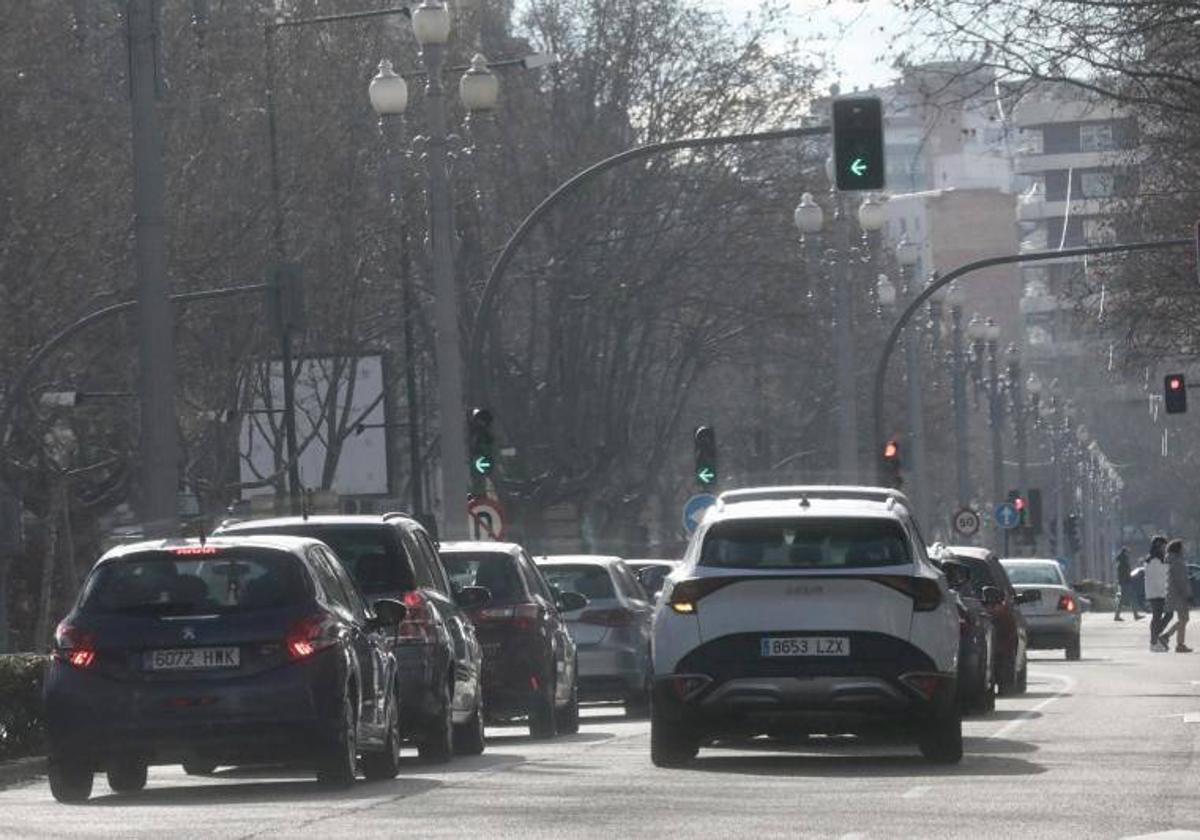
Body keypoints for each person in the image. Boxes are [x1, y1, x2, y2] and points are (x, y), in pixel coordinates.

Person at [1159, 539, 1192, 653]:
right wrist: (1188, 594)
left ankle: (1173, 640)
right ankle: (1171, 639)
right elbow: (1181, 580)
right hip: (1179, 595)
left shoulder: (1170, 560)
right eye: (1183, 547)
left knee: (1183, 619)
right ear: (1178, 549)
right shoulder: (1177, 561)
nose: (1184, 549)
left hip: (1173, 594)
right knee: (1184, 618)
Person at [1144, 536, 1172, 652]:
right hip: (1157, 593)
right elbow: (1158, 578)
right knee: (1159, 616)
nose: (1165, 548)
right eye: (1163, 546)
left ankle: (1154, 640)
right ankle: (1154, 641)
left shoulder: (1158, 559)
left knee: (1163, 616)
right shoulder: (1154, 560)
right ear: (1158, 546)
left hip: (1157, 592)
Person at [1113, 546, 1141, 621]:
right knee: (1131, 597)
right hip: (1126, 582)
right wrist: (1128, 580)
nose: (1129, 554)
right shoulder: (1124, 562)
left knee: (1124, 599)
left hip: (1124, 582)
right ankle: (1135, 615)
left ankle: (1118, 616)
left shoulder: (1122, 562)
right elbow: (1125, 573)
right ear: (1125, 553)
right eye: (1128, 553)